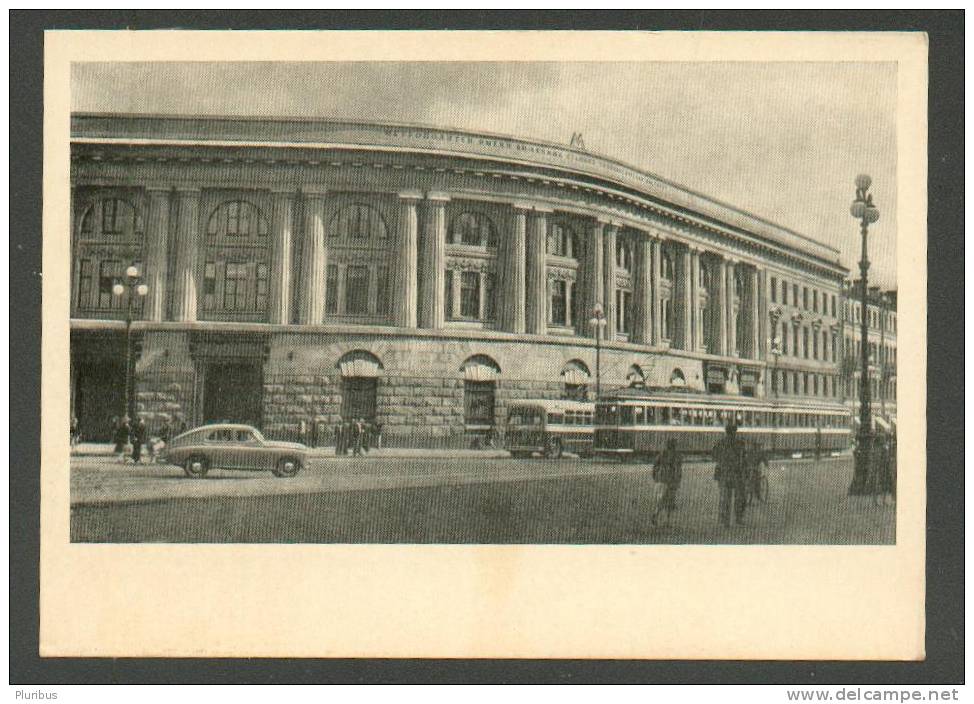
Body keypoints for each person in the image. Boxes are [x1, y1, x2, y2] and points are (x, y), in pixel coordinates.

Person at [712, 421, 747, 527]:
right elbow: (743, 459)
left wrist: (722, 463)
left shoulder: (719, 443)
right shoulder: (740, 444)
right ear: (735, 432)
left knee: (724, 498)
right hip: (736, 473)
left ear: (726, 432)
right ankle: (738, 519)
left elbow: (714, 456)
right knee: (739, 497)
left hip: (724, 473)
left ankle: (725, 520)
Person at [651, 439, 683, 526]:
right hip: (671, 480)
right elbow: (678, 470)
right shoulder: (677, 456)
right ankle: (667, 521)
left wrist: (654, 476)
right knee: (670, 501)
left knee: (661, 499)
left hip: (660, 478)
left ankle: (656, 513)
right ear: (674, 446)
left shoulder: (661, 454)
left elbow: (655, 466)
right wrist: (678, 480)